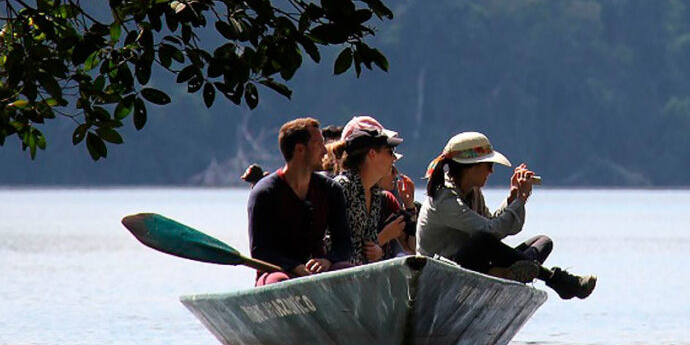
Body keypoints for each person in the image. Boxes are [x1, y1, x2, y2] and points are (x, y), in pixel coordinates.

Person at [416, 131, 596, 300]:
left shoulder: (473, 191)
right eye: (489, 166)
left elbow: (494, 224)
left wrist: (514, 198)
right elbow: (491, 232)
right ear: (471, 168)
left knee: (543, 242)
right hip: (441, 273)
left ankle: (504, 274)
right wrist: (519, 201)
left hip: (474, 265)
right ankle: (555, 279)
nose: (491, 171)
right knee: (481, 241)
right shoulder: (445, 198)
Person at [246, 117, 354, 285]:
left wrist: (328, 260)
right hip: (277, 271)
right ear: (300, 149)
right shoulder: (264, 193)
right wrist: (293, 266)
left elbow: (344, 244)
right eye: (319, 144)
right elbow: (260, 251)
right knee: (280, 282)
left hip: (317, 272)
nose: (325, 151)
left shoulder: (330, 190)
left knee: (351, 272)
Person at [329, 116, 408, 265]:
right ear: (372, 154)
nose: (393, 159)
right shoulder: (343, 187)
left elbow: (370, 243)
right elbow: (330, 242)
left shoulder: (375, 193)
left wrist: (378, 249)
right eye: (390, 152)